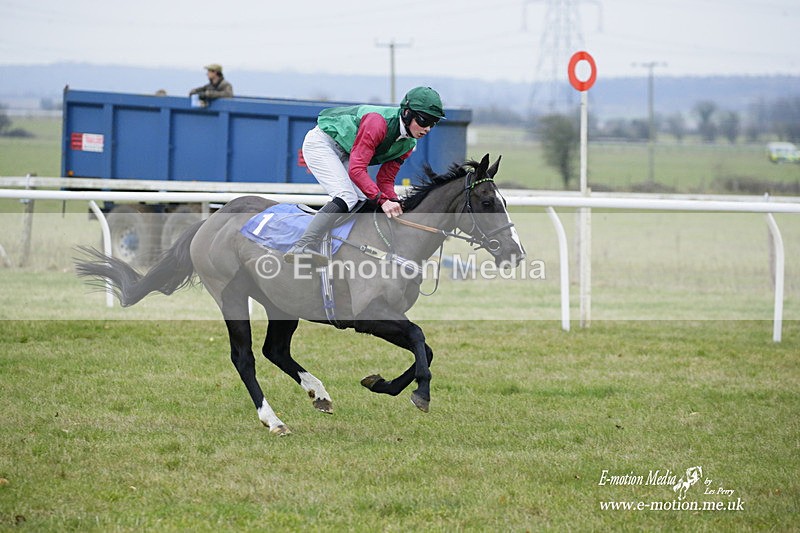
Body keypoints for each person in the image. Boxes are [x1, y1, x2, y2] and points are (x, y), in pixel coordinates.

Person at [284, 86, 446, 266]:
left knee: (364, 201)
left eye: (433, 123)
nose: (427, 129)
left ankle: (337, 247)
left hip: (346, 151)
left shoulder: (408, 143)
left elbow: (385, 180)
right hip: (322, 143)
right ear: (407, 113)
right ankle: (303, 244)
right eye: (424, 121)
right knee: (347, 196)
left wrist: (394, 201)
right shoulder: (377, 123)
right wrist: (383, 200)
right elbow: (356, 170)